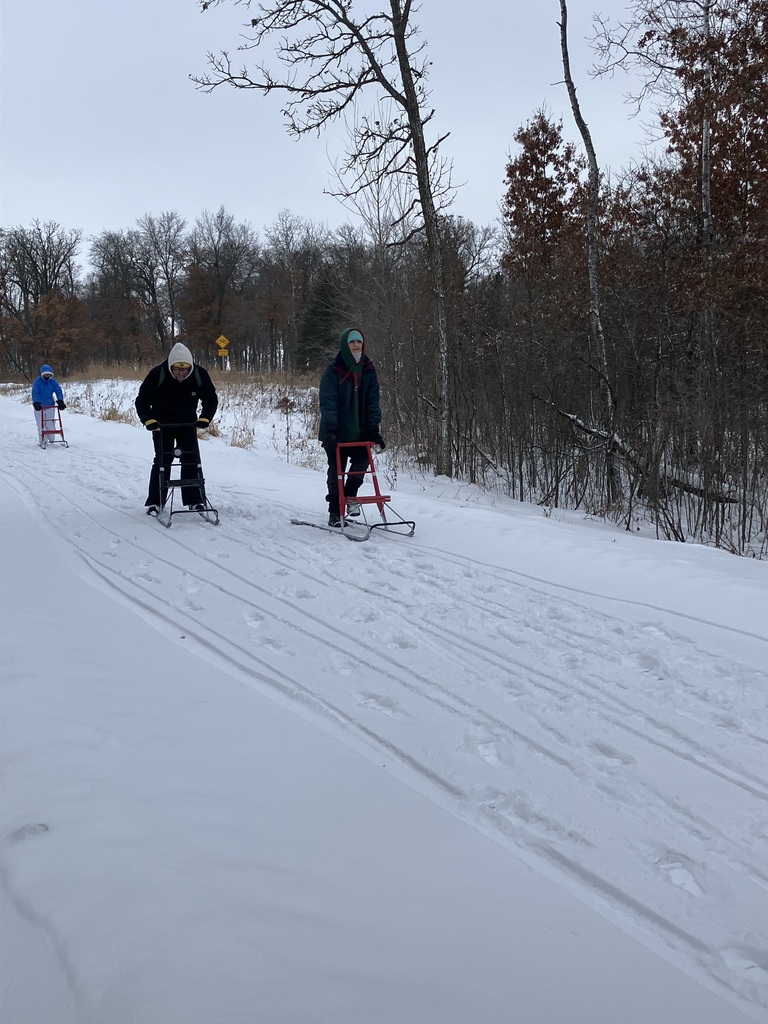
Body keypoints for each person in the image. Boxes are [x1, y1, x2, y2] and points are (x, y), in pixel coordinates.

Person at [135, 341, 218, 515]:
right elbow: (142, 400)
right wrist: (148, 420)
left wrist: (205, 418)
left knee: (191, 459)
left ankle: (194, 500)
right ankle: (155, 502)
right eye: (178, 370)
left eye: (185, 370)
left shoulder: (199, 374)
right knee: (162, 461)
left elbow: (210, 399)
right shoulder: (157, 374)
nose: (182, 373)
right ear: (171, 367)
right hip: (161, 425)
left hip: (187, 423)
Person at [318, 327, 385, 526]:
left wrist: (373, 428)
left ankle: (350, 495)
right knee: (336, 470)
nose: (356, 346)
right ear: (345, 345)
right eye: (352, 342)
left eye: (359, 342)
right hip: (337, 431)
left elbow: (373, 401)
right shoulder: (334, 369)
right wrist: (330, 429)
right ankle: (335, 512)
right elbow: (328, 402)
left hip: (360, 431)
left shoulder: (368, 369)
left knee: (361, 463)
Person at [31, 364, 66, 446]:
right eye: (45, 374)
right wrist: (36, 402)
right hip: (39, 406)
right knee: (41, 424)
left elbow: (58, 390)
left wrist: (60, 400)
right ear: (42, 374)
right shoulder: (37, 382)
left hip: (50, 405)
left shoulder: (53, 382)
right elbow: (35, 393)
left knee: (50, 422)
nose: (47, 376)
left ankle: (51, 438)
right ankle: (42, 440)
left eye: (48, 374)